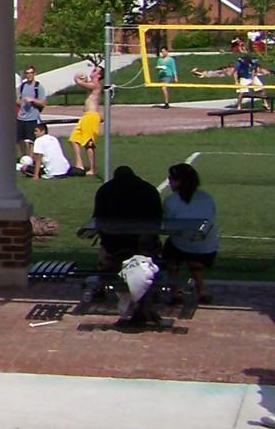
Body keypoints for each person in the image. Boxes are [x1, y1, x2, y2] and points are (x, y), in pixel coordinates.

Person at [91, 165, 164, 326]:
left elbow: (98, 219)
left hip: (113, 243)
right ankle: (145, 299)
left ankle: (100, 287)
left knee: (103, 252)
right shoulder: (149, 190)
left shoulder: (104, 190)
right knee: (151, 255)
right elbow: (158, 219)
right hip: (142, 243)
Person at [159, 162, 219, 306]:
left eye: (171, 179)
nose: (169, 182)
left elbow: (168, 227)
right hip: (208, 247)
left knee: (171, 254)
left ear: (178, 181)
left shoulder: (171, 201)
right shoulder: (206, 197)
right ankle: (201, 290)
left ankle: (175, 292)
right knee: (193, 257)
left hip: (184, 246)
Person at [14, 66, 46, 157]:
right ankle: (23, 157)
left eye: (31, 73)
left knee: (31, 141)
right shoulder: (23, 86)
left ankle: (31, 158)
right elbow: (18, 100)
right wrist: (18, 100)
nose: (29, 75)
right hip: (21, 117)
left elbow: (43, 103)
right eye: (27, 73)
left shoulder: (38, 87)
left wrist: (33, 100)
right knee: (19, 140)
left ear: (34, 74)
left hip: (32, 118)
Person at [70, 93, 102, 176]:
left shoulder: (96, 86)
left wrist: (79, 80)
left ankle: (92, 169)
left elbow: (83, 83)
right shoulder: (90, 89)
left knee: (89, 143)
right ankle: (79, 164)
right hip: (85, 116)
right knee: (74, 139)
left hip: (91, 116)